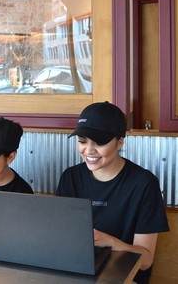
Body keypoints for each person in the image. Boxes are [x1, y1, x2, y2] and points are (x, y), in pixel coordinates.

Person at [56, 102, 169, 284]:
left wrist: (111, 242)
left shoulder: (144, 184)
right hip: (78, 274)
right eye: (82, 141)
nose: (89, 150)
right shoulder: (70, 177)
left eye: (99, 142)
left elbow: (146, 260)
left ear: (120, 142)